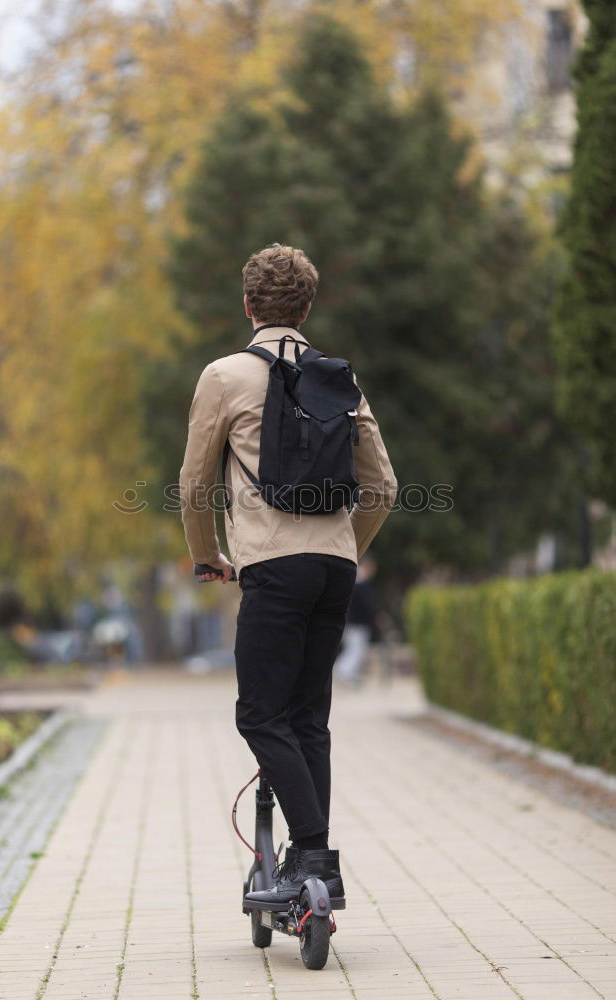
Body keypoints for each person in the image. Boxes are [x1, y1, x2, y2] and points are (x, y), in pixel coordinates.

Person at [179, 243, 396, 906]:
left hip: (272, 566)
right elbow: (383, 486)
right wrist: (345, 548)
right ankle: (309, 865)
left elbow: (194, 485)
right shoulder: (339, 380)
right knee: (308, 719)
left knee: (259, 715)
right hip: (334, 568)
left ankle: (316, 858)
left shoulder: (224, 376)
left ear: (248, 307)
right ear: (307, 307)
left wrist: (208, 554)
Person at [334, 554, 378, 687]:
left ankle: (347, 673)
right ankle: (343, 672)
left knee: (353, 649)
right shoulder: (361, 583)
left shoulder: (353, 580)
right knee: (356, 649)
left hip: (350, 621)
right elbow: (366, 606)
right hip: (358, 623)